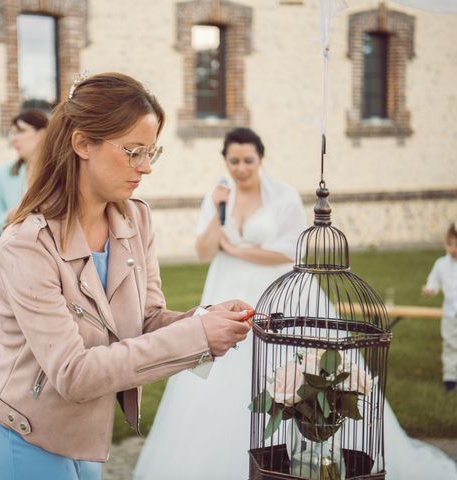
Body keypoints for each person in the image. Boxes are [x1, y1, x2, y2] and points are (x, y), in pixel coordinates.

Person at [134, 129, 457, 479]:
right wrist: (217, 207)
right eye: (233, 161)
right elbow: (203, 251)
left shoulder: (282, 195)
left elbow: (292, 251)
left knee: (284, 359)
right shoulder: (218, 196)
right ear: (225, 161)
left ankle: (306, 451)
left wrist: (240, 251)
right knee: (221, 368)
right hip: (226, 287)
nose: (241, 168)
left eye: (248, 161)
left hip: (276, 292)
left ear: (260, 159)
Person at [0, 72, 254, 480]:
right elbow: (73, 374)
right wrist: (197, 337)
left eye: (151, 153)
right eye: (133, 152)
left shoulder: (135, 218)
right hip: (24, 431)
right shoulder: (26, 244)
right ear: (82, 143)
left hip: (87, 430)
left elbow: (146, 319)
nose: (146, 168)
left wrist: (207, 321)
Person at [0, 109, 49, 237]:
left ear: (42, 134)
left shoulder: (58, 171)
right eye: (12, 133)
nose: (14, 139)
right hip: (15, 251)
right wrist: (9, 216)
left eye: (21, 131)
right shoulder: (4, 174)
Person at [422, 223, 457, 392]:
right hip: (450, 313)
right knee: (450, 343)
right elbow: (434, 281)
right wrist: (430, 289)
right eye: (449, 244)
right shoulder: (441, 264)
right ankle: (450, 377)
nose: (452, 249)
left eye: (456, 245)